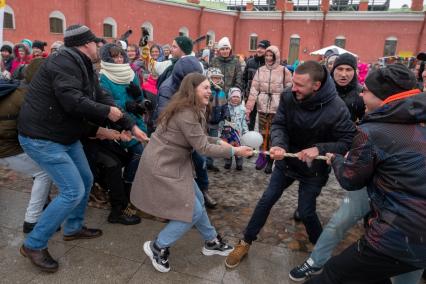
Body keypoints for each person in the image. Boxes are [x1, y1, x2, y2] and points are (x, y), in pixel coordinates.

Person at [17, 24, 148, 273]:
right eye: (96, 42)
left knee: (85, 179)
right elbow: (72, 101)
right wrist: (106, 113)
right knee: (72, 190)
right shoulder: (63, 62)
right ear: (85, 44)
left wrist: (129, 124)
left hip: (63, 134)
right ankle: (34, 244)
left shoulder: (82, 63)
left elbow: (99, 95)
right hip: (42, 137)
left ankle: (73, 228)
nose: (100, 46)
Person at [225, 61, 356, 268]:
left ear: (317, 85)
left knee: (306, 212)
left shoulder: (337, 107)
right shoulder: (288, 95)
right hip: (288, 162)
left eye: (299, 85)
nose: (293, 88)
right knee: (266, 200)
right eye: (293, 83)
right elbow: (279, 124)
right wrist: (278, 145)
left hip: (314, 169)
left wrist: (319, 149)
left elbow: (348, 141)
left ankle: (319, 252)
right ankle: (245, 241)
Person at [306, 64, 426, 284]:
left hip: (398, 235)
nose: (361, 93)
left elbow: (350, 179)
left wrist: (337, 160)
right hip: (417, 236)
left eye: (366, 90)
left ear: (383, 97)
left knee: (331, 276)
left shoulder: (373, 132)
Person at [130, 73, 253, 273]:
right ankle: (158, 246)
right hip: (164, 167)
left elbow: (198, 139)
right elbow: (202, 147)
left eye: (209, 87)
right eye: (205, 87)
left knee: (197, 200)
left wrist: (221, 143)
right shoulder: (187, 113)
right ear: (192, 89)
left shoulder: (192, 109)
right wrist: (233, 151)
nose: (209, 91)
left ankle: (211, 241)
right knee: (192, 211)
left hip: (174, 164)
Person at [0, 58, 54, 234]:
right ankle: (32, 220)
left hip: (8, 146)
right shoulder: (29, 96)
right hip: (6, 149)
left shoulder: (18, 89)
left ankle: (45, 207)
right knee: (43, 172)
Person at [99, 43, 147, 200]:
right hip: (117, 121)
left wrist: (138, 97)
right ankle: (125, 187)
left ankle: (126, 186)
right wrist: (126, 105)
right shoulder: (104, 75)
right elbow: (107, 101)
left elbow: (139, 98)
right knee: (137, 153)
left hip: (135, 119)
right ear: (108, 59)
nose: (119, 60)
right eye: (115, 57)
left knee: (136, 154)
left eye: (121, 56)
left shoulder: (130, 73)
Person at [245, 45, 292, 174]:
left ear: (276, 56)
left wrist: (287, 105)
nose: (269, 58)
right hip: (262, 106)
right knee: (262, 133)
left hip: (277, 107)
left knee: (273, 134)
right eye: (267, 55)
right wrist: (249, 107)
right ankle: (262, 156)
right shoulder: (260, 70)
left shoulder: (284, 71)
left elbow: (289, 89)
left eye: (271, 55)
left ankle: (271, 160)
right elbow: (254, 90)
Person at [242, 40, 270, 130]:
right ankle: (249, 141)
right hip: (250, 96)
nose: (259, 50)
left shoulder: (270, 64)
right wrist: (244, 91)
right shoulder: (250, 62)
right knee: (249, 120)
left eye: (262, 48)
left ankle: (263, 142)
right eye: (258, 47)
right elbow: (244, 78)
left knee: (264, 123)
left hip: (264, 97)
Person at [205, 67, 229, 173]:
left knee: (213, 143)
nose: (216, 80)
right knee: (203, 142)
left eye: (218, 78)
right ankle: (202, 162)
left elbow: (224, 105)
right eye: (214, 78)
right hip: (205, 122)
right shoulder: (207, 91)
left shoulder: (221, 92)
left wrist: (226, 115)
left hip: (216, 122)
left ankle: (210, 163)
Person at [223, 87, 248, 170]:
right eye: (234, 97)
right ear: (230, 97)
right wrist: (222, 129)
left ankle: (239, 163)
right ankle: (227, 162)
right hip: (227, 133)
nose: (235, 99)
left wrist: (245, 132)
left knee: (239, 148)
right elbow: (222, 120)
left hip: (238, 133)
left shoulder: (242, 109)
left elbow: (243, 122)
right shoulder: (226, 108)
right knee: (227, 148)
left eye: (237, 97)